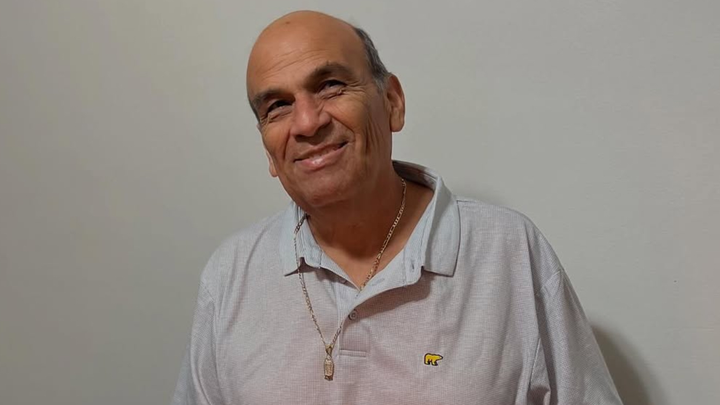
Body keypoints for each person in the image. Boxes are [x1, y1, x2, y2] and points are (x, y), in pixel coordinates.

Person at [172, 10, 623, 405]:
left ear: (392, 102)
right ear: (268, 151)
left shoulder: (509, 254)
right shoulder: (231, 275)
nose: (307, 122)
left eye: (330, 86)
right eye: (277, 106)